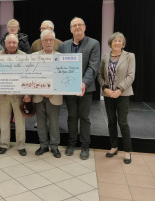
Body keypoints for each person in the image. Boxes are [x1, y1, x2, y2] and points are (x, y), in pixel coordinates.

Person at [58, 17, 100, 160]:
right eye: (74, 26)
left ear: (84, 27)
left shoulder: (94, 44)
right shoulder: (63, 46)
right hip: (69, 88)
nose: (77, 27)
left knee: (84, 118)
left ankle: (85, 145)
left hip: (85, 89)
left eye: (79, 25)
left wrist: (83, 83)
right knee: (71, 116)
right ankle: (71, 143)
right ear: (70, 29)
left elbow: (93, 66)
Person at [98, 32, 135, 164]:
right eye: (115, 41)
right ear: (111, 43)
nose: (117, 43)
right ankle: (114, 147)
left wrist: (119, 90)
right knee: (111, 121)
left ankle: (127, 151)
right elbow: (100, 75)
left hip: (123, 94)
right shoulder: (105, 57)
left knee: (123, 123)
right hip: (108, 94)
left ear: (123, 43)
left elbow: (131, 76)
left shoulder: (130, 56)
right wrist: (106, 89)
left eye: (120, 41)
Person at [0, 34, 31, 156]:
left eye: (14, 43)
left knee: (20, 122)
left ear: (18, 44)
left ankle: (21, 145)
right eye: (9, 42)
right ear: (5, 43)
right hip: (3, 95)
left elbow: (28, 76)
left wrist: (27, 93)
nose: (11, 45)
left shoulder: (24, 57)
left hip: (19, 96)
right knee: (4, 121)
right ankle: (4, 144)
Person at [32, 30, 63, 158]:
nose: (48, 42)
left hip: (54, 96)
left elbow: (63, 77)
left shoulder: (61, 57)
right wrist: (41, 90)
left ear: (54, 41)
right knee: (40, 122)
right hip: (38, 95)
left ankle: (54, 146)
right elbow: (30, 76)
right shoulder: (34, 57)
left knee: (54, 123)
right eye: (46, 40)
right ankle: (43, 145)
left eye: (51, 40)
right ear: (41, 42)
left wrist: (51, 90)